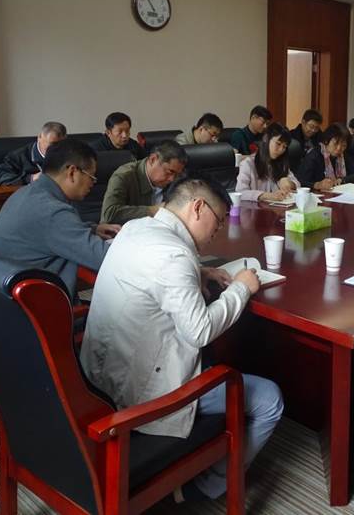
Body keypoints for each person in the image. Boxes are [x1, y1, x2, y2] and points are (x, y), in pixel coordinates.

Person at [80, 177, 283, 504]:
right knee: (269, 400)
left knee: (214, 353)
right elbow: (199, 331)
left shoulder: (136, 229)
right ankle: (203, 488)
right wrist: (241, 288)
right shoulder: (175, 256)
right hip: (141, 395)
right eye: (218, 222)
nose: (217, 231)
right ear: (198, 207)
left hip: (98, 376)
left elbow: (151, 273)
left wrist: (200, 271)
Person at [0, 139, 120, 298]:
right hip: (30, 305)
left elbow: (49, 231)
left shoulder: (27, 192)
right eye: (92, 177)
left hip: (0, 296)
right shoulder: (52, 211)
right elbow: (106, 258)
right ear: (72, 172)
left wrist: (93, 229)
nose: (93, 184)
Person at [100, 141, 188, 224]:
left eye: (177, 174)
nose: (172, 179)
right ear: (153, 159)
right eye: (169, 172)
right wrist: (152, 210)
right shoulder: (124, 175)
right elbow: (109, 213)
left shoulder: (178, 179)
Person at [236, 122, 299, 202]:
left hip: (277, 208)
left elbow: (298, 185)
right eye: (278, 144)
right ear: (266, 139)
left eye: (284, 147)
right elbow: (240, 192)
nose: (281, 150)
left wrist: (290, 183)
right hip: (255, 209)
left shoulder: (281, 163)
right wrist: (266, 196)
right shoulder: (248, 164)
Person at [0, 121, 67, 186]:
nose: (58, 148)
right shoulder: (18, 156)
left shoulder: (68, 153)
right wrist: (30, 178)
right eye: (53, 144)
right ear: (39, 137)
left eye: (61, 144)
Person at [296, 122, 354, 189]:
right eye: (335, 144)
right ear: (326, 140)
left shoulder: (343, 155)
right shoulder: (314, 156)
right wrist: (317, 185)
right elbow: (300, 182)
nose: (339, 148)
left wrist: (342, 180)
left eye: (343, 145)